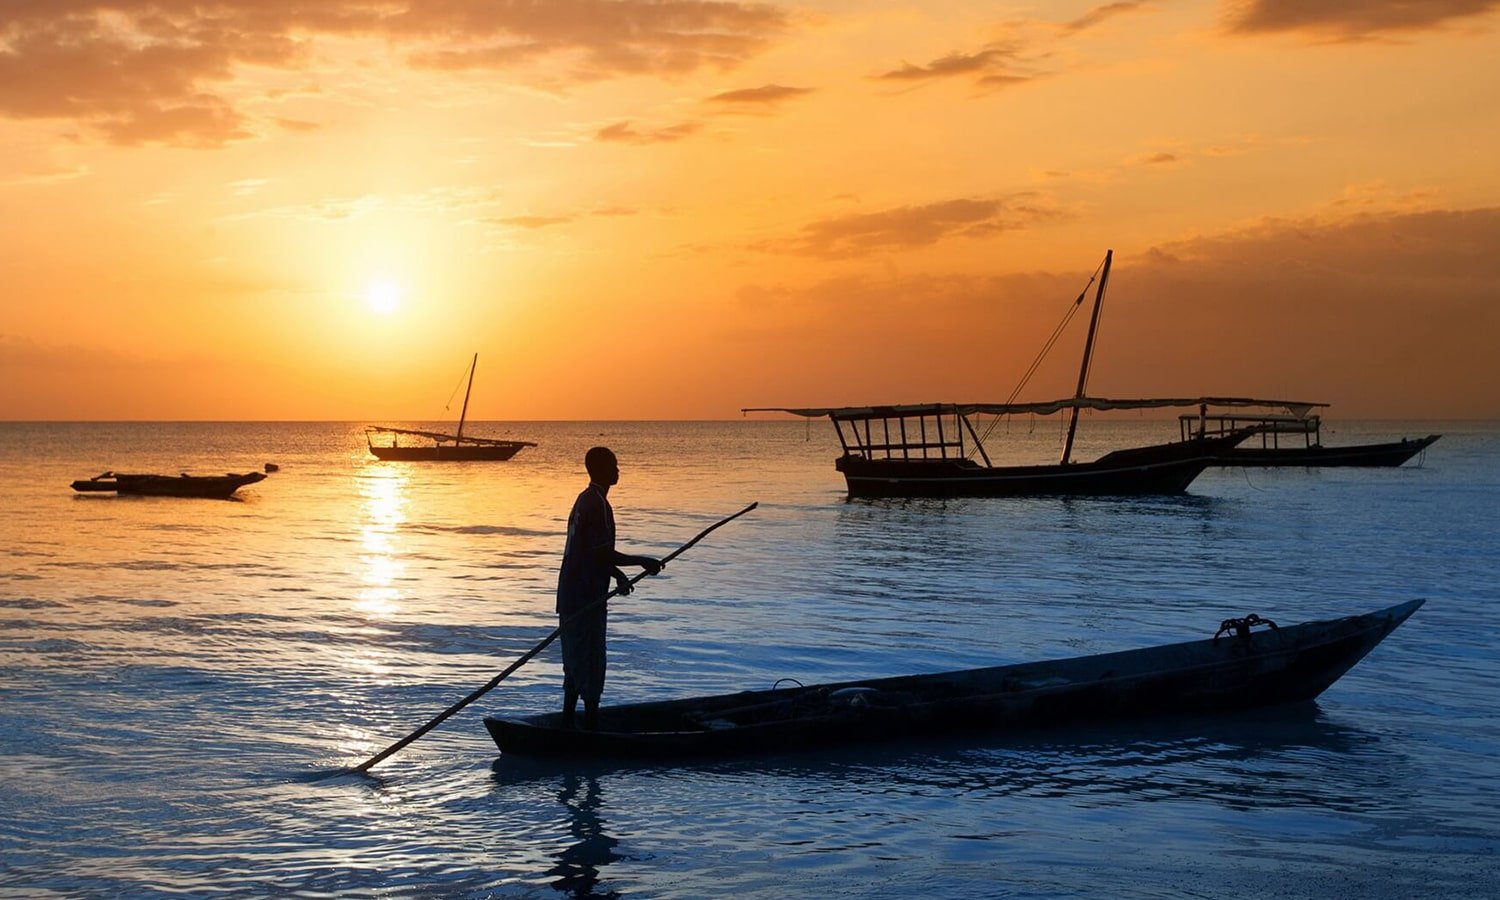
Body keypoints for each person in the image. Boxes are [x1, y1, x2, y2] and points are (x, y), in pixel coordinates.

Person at [556, 446, 663, 729]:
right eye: (614, 466)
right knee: (591, 663)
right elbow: (601, 553)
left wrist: (617, 576)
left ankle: (568, 723)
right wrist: (641, 561)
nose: (618, 470)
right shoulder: (597, 505)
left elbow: (590, 553)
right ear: (601, 470)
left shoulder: (584, 500)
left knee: (575, 661)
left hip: (571, 596)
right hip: (585, 599)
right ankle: (590, 728)